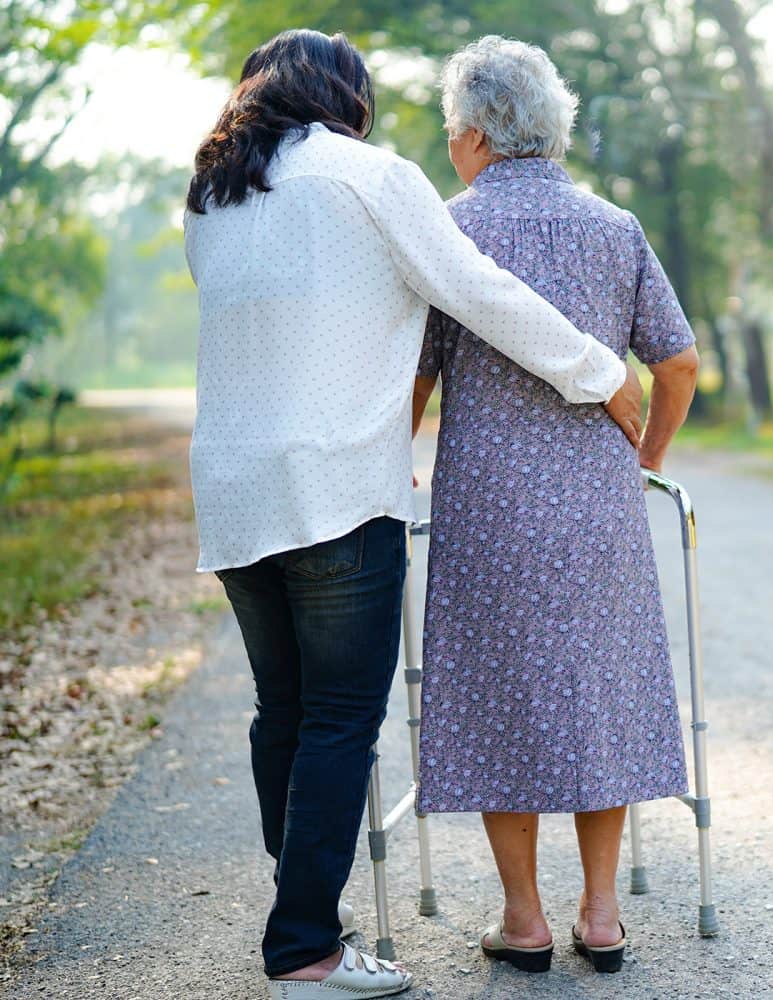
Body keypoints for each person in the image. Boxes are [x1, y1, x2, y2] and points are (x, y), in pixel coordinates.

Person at [183, 28, 644, 1000]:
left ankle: (305, 912)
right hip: (338, 486)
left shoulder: (214, 193)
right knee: (341, 718)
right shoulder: (368, 174)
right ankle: (305, 946)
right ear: (343, 96)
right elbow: (476, 291)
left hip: (232, 485)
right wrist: (600, 372)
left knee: (285, 710)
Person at [412, 35, 700, 976]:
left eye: (453, 127)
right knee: (597, 694)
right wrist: (647, 456)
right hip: (597, 506)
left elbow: (411, 378)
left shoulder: (444, 230)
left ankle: (524, 920)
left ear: (477, 136)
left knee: (505, 696)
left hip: (487, 505)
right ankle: (604, 914)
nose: (451, 142)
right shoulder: (613, 227)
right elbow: (679, 361)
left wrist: (394, 462)